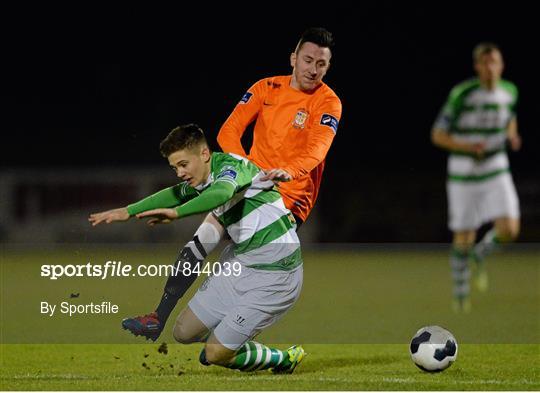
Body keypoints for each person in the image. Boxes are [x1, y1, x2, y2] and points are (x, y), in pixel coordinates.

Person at [119, 27, 342, 340]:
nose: (313, 69)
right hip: (249, 185)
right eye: (308, 60)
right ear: (293, 58)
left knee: (246, 266)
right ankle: (158, 317)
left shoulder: (328, 103)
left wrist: (288, 171)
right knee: (202, 240)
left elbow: (317, 151)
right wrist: (246, 170)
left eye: (322, 64)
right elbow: (228, 132)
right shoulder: (267, 88)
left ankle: (235, 334)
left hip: (287, 199)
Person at [90, 124, 305, 373]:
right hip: (241, 264)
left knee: (214, 354)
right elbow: (175, 193)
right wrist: (127, 211)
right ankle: (230, 343)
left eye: (183, 164)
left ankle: (281, 359)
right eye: (174, 168)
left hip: (276, 276)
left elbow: (222, 193)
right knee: (183, 331)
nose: (180, 173)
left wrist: (176, 213)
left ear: (204, 154)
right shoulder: (203, 178)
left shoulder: (231, 168)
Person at [431, 42, 521, 312]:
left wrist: (512, 135)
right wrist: (468, 147)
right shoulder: (463, 94)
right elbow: (438, 134)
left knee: (510, 230)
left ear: (501, 66)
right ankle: (460, 298)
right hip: (463, 172)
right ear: (477, 67)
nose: (490, 68)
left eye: (495, 62)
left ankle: (480, 255)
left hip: (496, 166)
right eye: (485, 63)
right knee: (464, 236)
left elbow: (509, 119)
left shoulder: (509, 92)